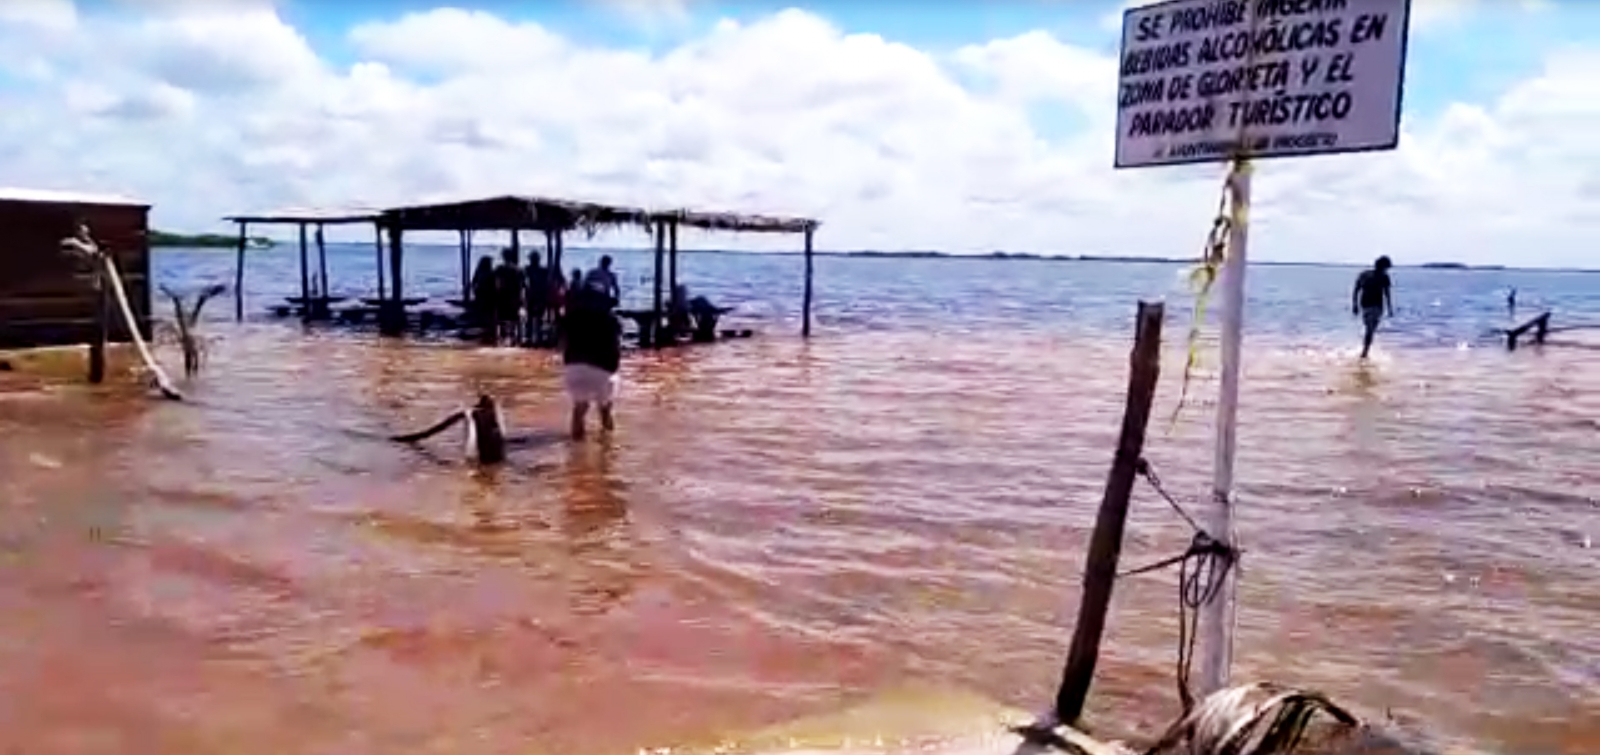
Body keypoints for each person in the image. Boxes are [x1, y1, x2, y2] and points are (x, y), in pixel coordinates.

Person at [562, 285, 623, 441]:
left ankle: (575, 451)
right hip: (602, 368)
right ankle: (608, 451)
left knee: (579, 409)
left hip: (574, 367)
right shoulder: (611, 319)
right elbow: (615, 346)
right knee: (605, 410)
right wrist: (614, 368)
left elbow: (563, 342)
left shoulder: (571, 317)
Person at [1351, 255, 1394, 359]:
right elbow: (1356, 289)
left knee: (1371, 329)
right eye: (1387, 267)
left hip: (1376, 307)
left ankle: (1365, 350)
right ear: (1382, 266)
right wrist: (1354, 304)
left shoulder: (1383, 277)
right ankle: (1364, 353)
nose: (1387, 269)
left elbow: (1387, 293)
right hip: (1368, 306)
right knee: (1370, 329)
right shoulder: (1365, 275)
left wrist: (1389, 308)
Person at [493, 247, 523, 345]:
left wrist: (497, 295)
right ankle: (515, 339)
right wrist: (521, 298)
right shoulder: (518, 269)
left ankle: (503, 338)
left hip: (503, 296)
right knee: (514, 319)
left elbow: (497, 284)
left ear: (503, 257)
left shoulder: (499, 268)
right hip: (514, 296)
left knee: (502, 319)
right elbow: (521, 285)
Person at [524, 252, 549, 346]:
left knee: (533, 319)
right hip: (537, 296)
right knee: (536, 319)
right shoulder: (542, 270)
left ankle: (531, 338)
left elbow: (525, 283)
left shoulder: (528, 269)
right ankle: (535, 339)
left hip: (534, 295)